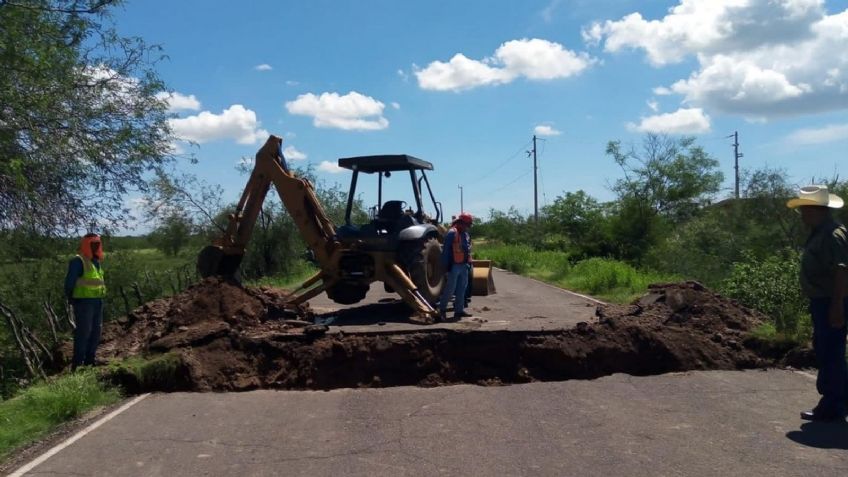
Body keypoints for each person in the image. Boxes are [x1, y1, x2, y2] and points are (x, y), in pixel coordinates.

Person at [786, 185, 848, 422]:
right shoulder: (821, 231)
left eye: (805, 210)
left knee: (830, 352)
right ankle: (840, 399)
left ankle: (832, 406)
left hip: (831, 301)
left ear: (817, 210)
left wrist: (836, 306)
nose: (802, 215)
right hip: (825, 301)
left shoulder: (833, 234)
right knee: (829, 350)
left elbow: (842, 272)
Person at [64, 233, 107, 370]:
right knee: (84, 332)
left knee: (96, 331)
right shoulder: (78, 261)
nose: (96, 246)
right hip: (83, 302)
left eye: (97, 243)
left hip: (97, 301)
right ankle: (77, 364)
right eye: (93, 243)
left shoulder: (96, 262)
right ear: (86, 244)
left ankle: (90, 360)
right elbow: (69, 283)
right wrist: (71, 299)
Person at [439, 213, 473, 322]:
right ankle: (442, 310)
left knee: (462, 289)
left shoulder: (466, 234)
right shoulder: (451, 233)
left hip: (464, 266)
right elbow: (445, 252)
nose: (467, 227)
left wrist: (469, 264)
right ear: (460, 223)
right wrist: (446, 267)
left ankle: (459, 310)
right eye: (466, 224)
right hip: (454, 266)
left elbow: (467, 250)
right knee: (450, 289)